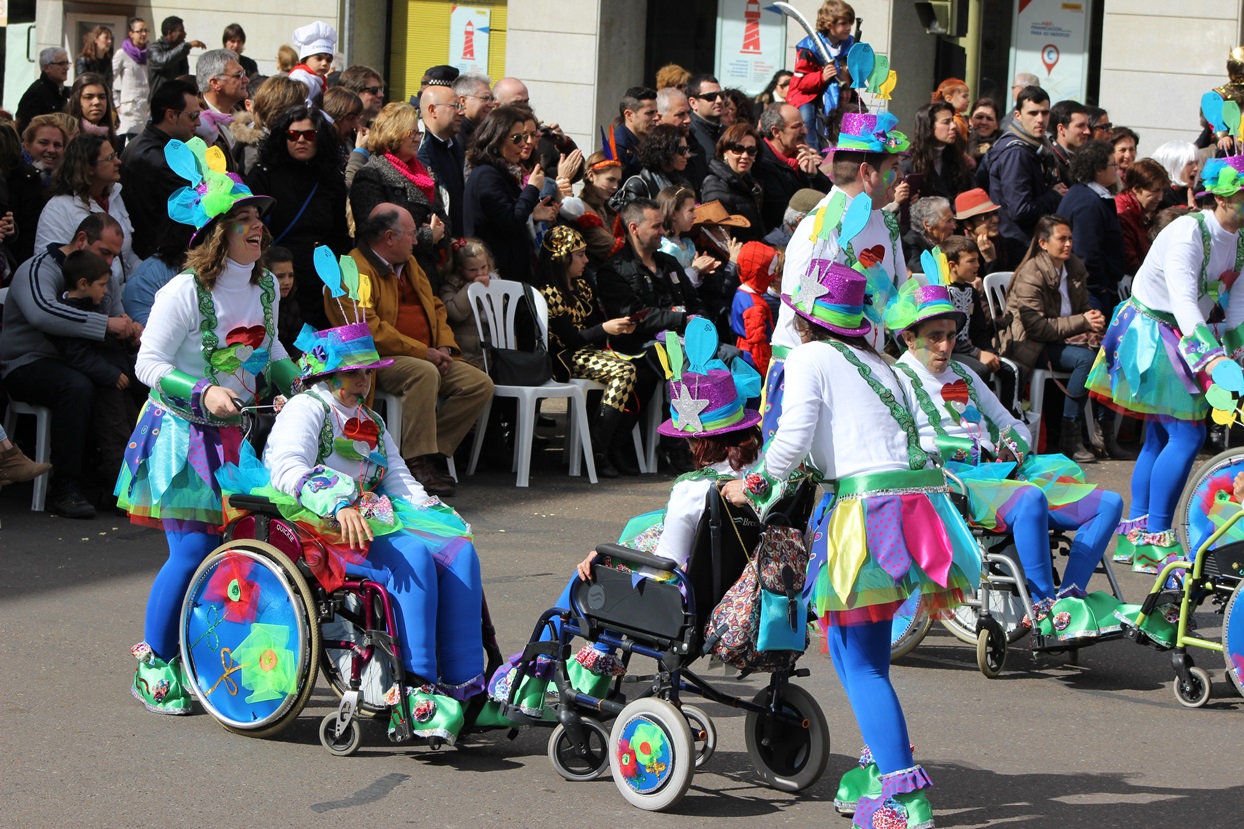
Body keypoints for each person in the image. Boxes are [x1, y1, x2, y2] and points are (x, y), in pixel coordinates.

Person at [725, 262, 978, 829]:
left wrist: (753, 486)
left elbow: (792, 439)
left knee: (862, 664)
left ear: (804, 318)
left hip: (868, 516)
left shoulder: (812, 358)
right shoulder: (882, 364)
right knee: (851, 653)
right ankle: (876, 764)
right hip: (908, 510)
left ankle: (905, 799)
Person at [221, 317, 491, 738]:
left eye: (368, 371)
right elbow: (288, 467)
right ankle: (416, 691)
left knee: (457, 550)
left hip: (368, 516)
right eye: (355, 371)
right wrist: (338, 503)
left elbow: (397, 476)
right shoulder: (307, 407)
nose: (365, 380)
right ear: (328, 374)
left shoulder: (372, 420)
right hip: (315, 520)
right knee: (414, 558)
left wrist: (433, 512)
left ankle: (466, 686)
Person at [119, 140, 295, 714]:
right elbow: (148, 364)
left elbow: (270, 353)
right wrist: (202, 389)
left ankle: (216, 652)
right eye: (244, 219)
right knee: (192, 551)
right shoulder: (183, 291)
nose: (257, 228)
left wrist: (303, 380)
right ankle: (154, 663)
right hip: (179, 437)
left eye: (259, 219)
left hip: (236, 437)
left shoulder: (265, 288)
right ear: (217, 231)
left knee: (243, 550)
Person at [888, 268, 1124, 645]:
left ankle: (1072, 597)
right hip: (952, 487)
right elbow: (898, 446)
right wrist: (958, 453)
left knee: (1108, 503)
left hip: (1003, 472)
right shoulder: (897, 382)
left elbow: (1011, 422)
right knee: (1030, 498)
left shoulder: (964, 373)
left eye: (950, 336)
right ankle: (1046, 606)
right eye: (935, 337)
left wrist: (1010, 444)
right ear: (908, 338)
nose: (946, 347)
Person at [1087, 151, 1244, 575]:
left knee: (1160, 437)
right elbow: (1183, 301)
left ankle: (1135, 538)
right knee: (1187, 435)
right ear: (1222, 198)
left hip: (1188, 333)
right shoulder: (1188, 232)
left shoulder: (1241, 239)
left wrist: (1236, 355)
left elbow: (1236, 306)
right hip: (1154, 332)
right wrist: (1213, 360)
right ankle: (1156, 538)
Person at [334, 203, 494, 497]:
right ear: (389, 237)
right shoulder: (352, 268)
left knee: (479, 384)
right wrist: (424, 352)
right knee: (424, 373)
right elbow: (368, 329)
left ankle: (426, 453)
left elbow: (435, 305)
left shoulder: (409, 263)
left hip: (428, 354)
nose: (417, 240)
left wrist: (444, 344)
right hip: (377, 360)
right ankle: (416, 462)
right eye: (411, 233)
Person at [767, 111, 910, 440]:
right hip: (811, 376)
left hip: (865, 370)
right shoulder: (819, 228)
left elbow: (898, 300)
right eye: (893, 168)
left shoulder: (887, 224)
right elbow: (801, 319)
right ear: (866, 171)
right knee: (791, 487)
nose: (902, 177)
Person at [1, 213, 131, 518]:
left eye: (115, 255)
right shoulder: (37, 268)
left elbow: (117, 316)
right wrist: (105, 324)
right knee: (76, 386)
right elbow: (43, 313)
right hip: (26, 362)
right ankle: (66, 487)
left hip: (77, 359)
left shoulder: (102, 274)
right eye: (105, 252)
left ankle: (110, 481)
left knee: (124, 378)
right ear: (83, 240)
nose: (110, 262)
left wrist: (128, 329)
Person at [536, 225, 654, 477]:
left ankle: (614, 446)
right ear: (562, 258)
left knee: (644, 370)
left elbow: (593, 329)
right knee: (624, 372)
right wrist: (605, 328)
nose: (586, 260)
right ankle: (598, 450)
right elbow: (571, 340)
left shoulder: (582, 287)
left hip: (588, 353)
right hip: (564, 359)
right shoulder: (550, 292)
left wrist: (620, 328)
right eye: (579, 255)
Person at [1001, 214, 1105, 463]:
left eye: (1070, 238)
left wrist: (1093, 323)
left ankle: (1107, 434)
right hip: (1031, 346)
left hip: (1063, 341)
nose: (1068, 244)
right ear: (1043, 243)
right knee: (1085, 359)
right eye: (1062, 239)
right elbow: (1035, 328)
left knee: (1110, 350)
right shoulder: (1031, 273)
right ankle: (1070, 437)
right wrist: (1082, 322)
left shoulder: (1075, 268)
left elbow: (1082, 310)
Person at [247, 105, 350, 329]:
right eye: (293, 135)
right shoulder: (264, 174)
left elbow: (339, 233)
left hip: (320, 275)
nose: (301, 140)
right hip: (278, 273)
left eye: (309, 135)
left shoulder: (331, 178)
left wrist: (343, 277)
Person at [49, 250, 140, 485]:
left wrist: (128, 337)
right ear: (83, 284)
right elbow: (78, 355)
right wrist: (110, 375)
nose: (106, 290)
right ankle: (118, 491)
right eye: (101, 285)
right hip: (106, 384)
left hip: (119, 381)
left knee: (135, 431)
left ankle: (138, 487)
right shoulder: (71, 313)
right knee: (116, 437)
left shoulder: (96, 305)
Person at [349, 102, 449, 285]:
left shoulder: (422, 172)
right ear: (392, 133)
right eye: (412, 133)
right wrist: (428, 237)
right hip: (390, 278)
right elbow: (372, 231)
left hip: (425, 275)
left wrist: (441, 233)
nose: (418, 139)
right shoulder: (372, 174)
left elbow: (443, 218)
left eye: (419, 133)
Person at [596, 198, 706, 357]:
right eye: (656, 226)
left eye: (662, 225)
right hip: (646, 346)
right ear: (634, 228)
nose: (663, 231)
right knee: (693, 361)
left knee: (732, 355)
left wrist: (703, 323)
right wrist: (680, 319)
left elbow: (693, 300)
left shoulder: (669, 262)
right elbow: (633, 316)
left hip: (686, 336)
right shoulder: (613, 272)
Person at [462, 105, 558, 283]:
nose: (522, 144)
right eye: (516, 138)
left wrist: (534, 213)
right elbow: (510, 220)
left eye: (523, 137)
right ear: (497, 139)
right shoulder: (487, 176)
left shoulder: (503, 172)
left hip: (512, 272)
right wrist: (532, 189)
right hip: (496, 275)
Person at [36, 134, 141, 282]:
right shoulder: (59, 208)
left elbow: (127, 256)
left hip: (117, 293)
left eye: (115, 155)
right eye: (110, 158)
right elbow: (48, 267)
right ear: (89, 168)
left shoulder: (114, 196)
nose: (118, 162)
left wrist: (150, 277)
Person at [120, 79, 201, 260]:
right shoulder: (162, 159)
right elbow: (198, 212)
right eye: (194, 116)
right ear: (171, 116)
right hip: (162, 258)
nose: (199, 123)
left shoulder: (143, 144)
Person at [986, 85, 1068, 264]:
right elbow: (1020, 210)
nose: (1040, 119)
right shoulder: (1016, 153)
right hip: (1018, 247)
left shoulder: (1036, 146)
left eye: (1045, 113)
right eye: (1033, 113)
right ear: (1018, 115)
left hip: (1027, 244)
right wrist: (1054, 195)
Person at [1057, 139, 1128, 310]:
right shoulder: (1087, 203)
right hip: (1090, 293)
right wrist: (1101, 285)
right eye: (1113, 165)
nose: (1116, 169)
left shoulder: (1088, 196)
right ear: (1098, 169)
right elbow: (1086, 252)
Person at [938, 234, 1009, 397]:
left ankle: (1011, 416)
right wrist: (977, 353)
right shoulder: (943, 293)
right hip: (950, 352)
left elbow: (979, 331)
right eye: (971, 261)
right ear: (953, 265)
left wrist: (989, 352)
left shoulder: (971, 292)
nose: (977, 265)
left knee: (1009, 370)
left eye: (977, 260)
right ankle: (977, 415)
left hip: (969, 350)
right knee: (980, 370)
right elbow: (945, 336)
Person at [787, 1, 856, 151]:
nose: (849, 28)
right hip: (809, 95)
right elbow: (800, 82)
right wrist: (822, 77)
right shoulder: (809, 46)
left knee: (859, 110)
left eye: (850, 23)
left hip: (840, 90)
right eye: (843, 23)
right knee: (806, 118)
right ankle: (813, 152)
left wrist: (854, 69)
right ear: (830, 24)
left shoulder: (851, 44)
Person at [753, 103, 830, 235]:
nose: (805, 131)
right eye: (796, 127)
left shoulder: (803, 157)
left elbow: (830, 200)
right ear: (776, 132)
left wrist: (815, 175)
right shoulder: (760, 165)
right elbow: (783, 214)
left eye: (803, 125)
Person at [10, 116, 68, 264]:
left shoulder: (67, 183)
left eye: (57, 145)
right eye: (43, 143)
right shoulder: (15, 178)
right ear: (27, 144)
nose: (51, 150)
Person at [700, 123, 765, 243]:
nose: (745, 156)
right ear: (724, 152)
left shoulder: (750, 183)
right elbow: (718, 237)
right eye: (738, 149)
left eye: (751, 150)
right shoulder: (715, 186)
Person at [231, 75, 306, 177]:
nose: (306, 110)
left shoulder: (280, 136)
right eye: (301, 105)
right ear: (281, 109)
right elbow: (257, 188)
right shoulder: (256, 147)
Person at [417, 84, 467, 236]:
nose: (462, 112)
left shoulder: (453, 146)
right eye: (455, 106)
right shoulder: (419, 149)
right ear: (433, 110)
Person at [438, 237, 493, 370]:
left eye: (483, 267)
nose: (480, 273)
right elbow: (455, 313)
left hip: (490, 351)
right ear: (460, 269)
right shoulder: (450, 286)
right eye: (473, 270)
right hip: (465, 353)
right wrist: (471, 288)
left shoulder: (493, 282)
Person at [903, 101, 974, 204]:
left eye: (953, 120)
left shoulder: (958, 160)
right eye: (946, 122)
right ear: (929, 127)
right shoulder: (909, 165)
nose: (953, 126)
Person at [612, 123, 691, 208]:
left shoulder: (683, 183)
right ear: (665, 150)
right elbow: (636, 218)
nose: (687, 155)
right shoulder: (638, 185)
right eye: (682, 150)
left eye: (687, 149)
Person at [730, 241, 781, 374]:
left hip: (743, 355)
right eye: (769, 270)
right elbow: (757, 345)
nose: (772, 277)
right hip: (753, 363)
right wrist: (766, 374)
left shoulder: (741, 293)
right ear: (759, 271)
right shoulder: (755, 305)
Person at [1115, 158, 1171, 275]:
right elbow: (1130, 261)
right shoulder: (1123, 215)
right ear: (1136, 189)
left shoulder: (1139, 211)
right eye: (1155, 191)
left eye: (1162, 191)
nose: (1160, 198)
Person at [196, 49, 248, 165]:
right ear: (215, 83)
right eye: (238, 75)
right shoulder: (195, 122)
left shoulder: (245, 118)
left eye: (244, 73)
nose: (246, 80)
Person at [577, 151, 625, 267]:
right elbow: (613, 248)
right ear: (591, 175)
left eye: (618, 181)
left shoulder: (606, 207)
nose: (615, 187)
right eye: (610, 180)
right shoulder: (582, 211)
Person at [147, 17, 205, 102]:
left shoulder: (179, 52)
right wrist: (187, 46)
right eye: (181, 31)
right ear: (170, 33)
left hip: (176, 101)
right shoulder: (155, 49)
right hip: (159, 102)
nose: (185, 35)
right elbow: (162, 61)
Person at [953, 187, 1009, 275]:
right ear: (968, 224)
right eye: (985, 217)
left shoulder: (1007, 244)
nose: (995, 220)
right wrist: (990, 260)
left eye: (995, 214)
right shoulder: (960, 253)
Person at [112, 18, 150, 146]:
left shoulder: (151, 53)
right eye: (140, 31)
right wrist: (116, 104)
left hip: (146, 109)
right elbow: (107, 82)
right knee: (127, 146)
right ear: (131, 33)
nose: (143, 34)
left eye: (145, 30)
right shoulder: (122, 54)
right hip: (128, 110)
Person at [685, 74, 725, 190]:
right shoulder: (687, 134)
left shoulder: (727, 132)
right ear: (693, 103)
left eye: (721, 95)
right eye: (711, 97)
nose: (719, 101)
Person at [16, 48, 71, 133]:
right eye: (61, 64)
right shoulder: (37, 92)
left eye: (67, 63)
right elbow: (26, 127)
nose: (66, 68)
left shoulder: (61, 91)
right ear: (46, 68)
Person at [612, 87, 660, 180]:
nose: (656, 117)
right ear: (629, 115)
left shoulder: (653, 144)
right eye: (649, 113)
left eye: (656, 112)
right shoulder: (615, 151)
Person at [904, 196, 957, 275]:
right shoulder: (911, 243)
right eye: (948, 221)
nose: (954, 226)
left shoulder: (950, 241)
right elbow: (922, 272)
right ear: (928, 225)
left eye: (953, 220)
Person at [288, 21, 337, 107]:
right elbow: (303, 107)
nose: (324, 63)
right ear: (306, 59)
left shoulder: (317, 78)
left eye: (329, 60)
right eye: (319, 58)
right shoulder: (300, 78)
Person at [265, 245, 302, 357]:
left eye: (291, 276)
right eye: (280, 276)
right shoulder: (257, 306)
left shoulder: (292, 304)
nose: (287, 282)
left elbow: (297, 342)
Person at [1048, 100, 1090, 187]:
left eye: (1087, 125)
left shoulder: (1083, 158)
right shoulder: (1050, 161)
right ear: (1061, 129)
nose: (1087, 131)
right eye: (1080, 126)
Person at [1151, 140, 1201, 210]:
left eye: (1196, 163)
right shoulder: (1162, 196)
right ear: (1173, 166)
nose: (1196, 168)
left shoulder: (1198, 193)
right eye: (1190, 163)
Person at [453, 72, 494, 142]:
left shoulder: (484, 131)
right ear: (463, 101)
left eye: (492, 99)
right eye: (485, 98)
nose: (491, 105)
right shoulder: (454, 134)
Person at [967, 97, 1001, 163]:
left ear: (996, 125)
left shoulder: (1004, 147)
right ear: (970, 121)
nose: (984, 122)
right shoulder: (961, 142)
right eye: (979, 117)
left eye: (989, 118)